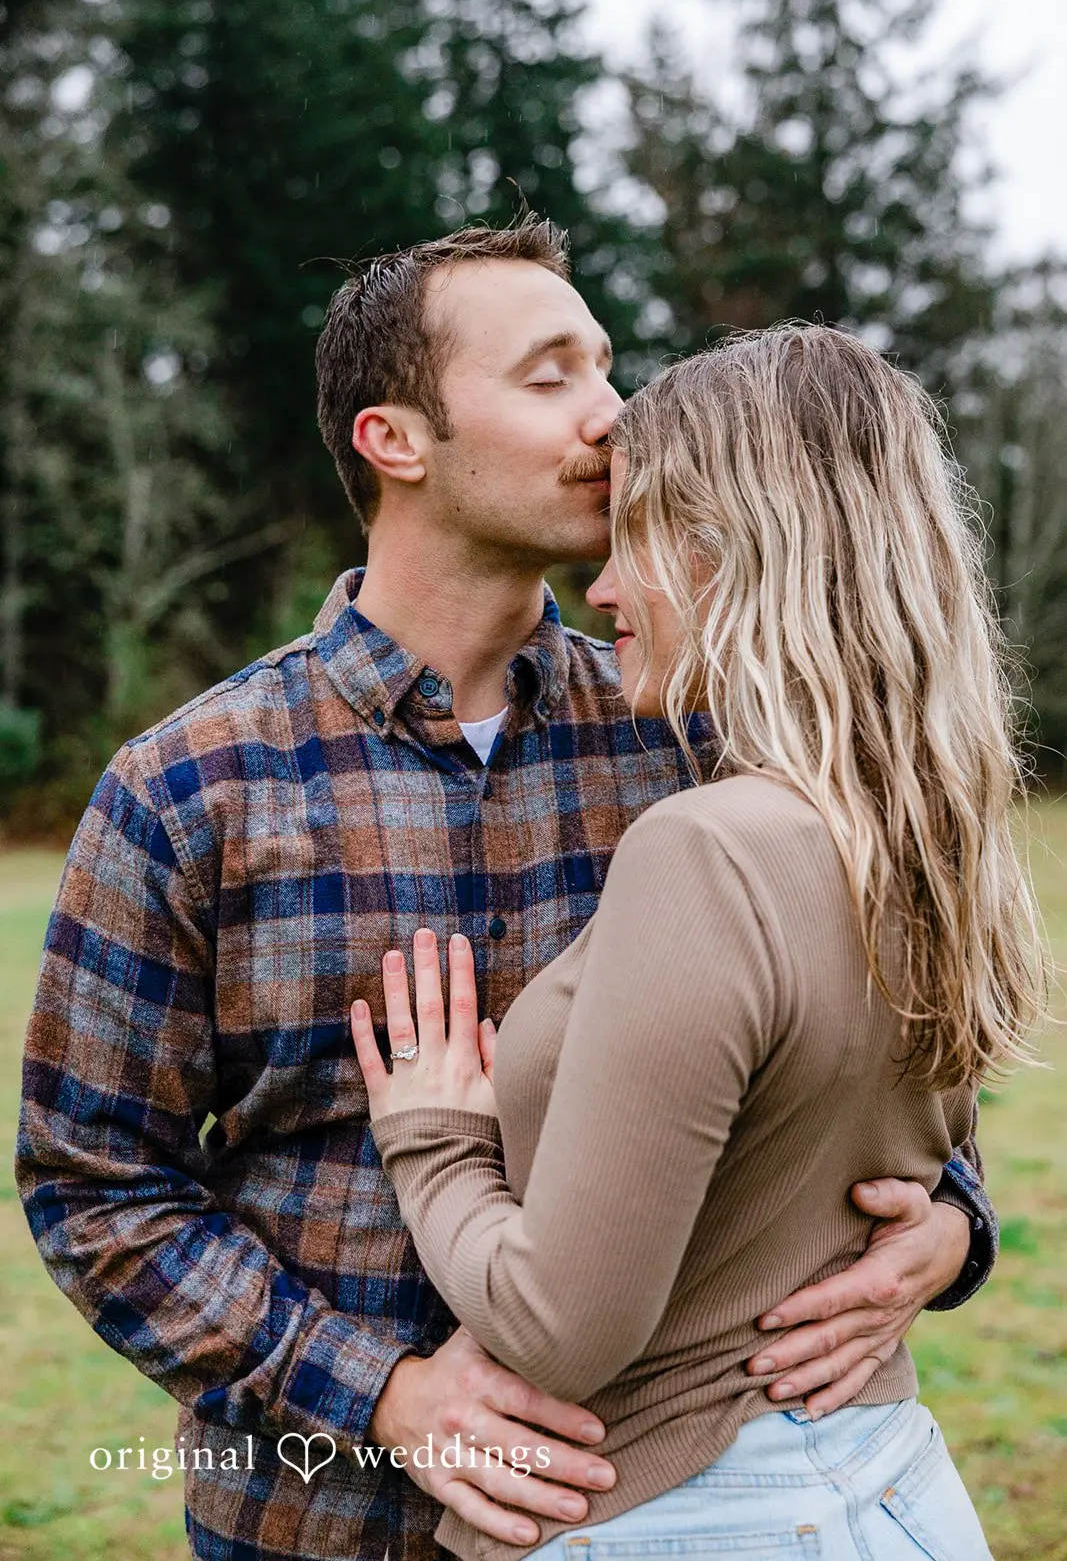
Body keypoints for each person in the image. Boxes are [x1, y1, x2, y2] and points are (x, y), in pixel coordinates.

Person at [18, 222, 995, 1561]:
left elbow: (866, 1044)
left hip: (656, 1504)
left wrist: (946, 1221)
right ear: (395, 441)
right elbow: (96, 1185)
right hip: (318, 1518)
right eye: (549, 378)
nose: (614, 417)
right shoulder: (193, 787)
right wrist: (385, 1397)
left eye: (607, 367)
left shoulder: (698, 727)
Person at [352, 322, 1045, 1560]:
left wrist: (432, 1138)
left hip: (695, 1510)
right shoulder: (925, 828)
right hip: (883, 1485)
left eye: (639, 539)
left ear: (736, 552)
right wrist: (945, 1227)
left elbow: (559, 1328)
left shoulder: (707, 847)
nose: (602, 587)